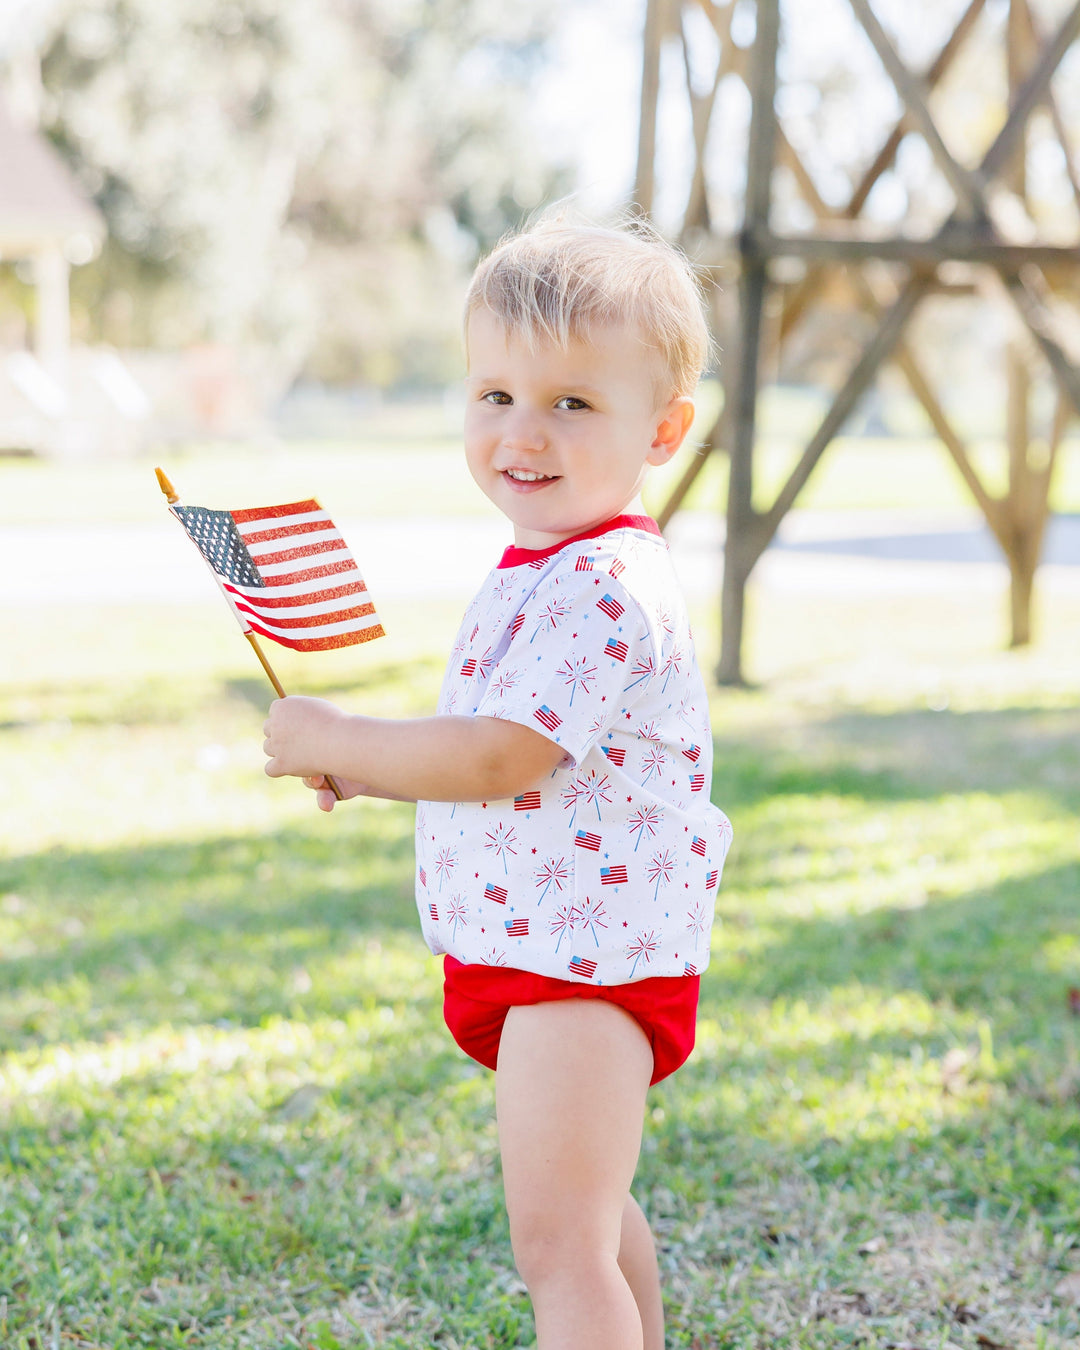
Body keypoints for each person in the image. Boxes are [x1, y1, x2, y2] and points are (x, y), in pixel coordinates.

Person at [262, 210, 733, 1350]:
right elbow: (493, 744)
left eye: (573, 402)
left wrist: (345, 737)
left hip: (586, 955)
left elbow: (499, 754)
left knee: (558, 1245)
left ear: (662, 430)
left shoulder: (603, 585)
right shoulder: (550, 563)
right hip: (546, 941)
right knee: (592, 1216)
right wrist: (375, 774)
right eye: (496, 395)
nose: (525, 431)